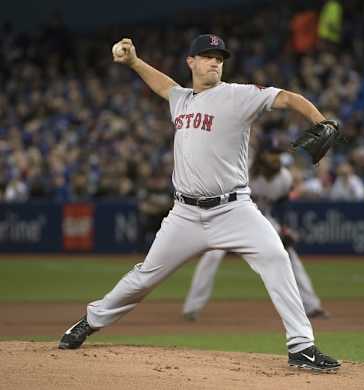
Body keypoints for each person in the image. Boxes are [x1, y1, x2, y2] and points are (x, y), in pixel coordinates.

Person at [58, 34, 340, 372]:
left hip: (234, 209)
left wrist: (320, 121)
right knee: (144, 277)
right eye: (207, 56)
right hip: (185, 215)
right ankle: (89, 321)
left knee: (277, 257)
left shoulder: (238, 95)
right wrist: (134, 62)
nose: (215, 62)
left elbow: (287, 98)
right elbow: (164, 86)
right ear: (191, 62)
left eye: (219, 57)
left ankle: (301, 347)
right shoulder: (180, 99)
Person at [183, 145, 330, 321]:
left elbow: (282, 205)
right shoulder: (244, 170)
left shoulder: (284, 177)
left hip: (261, 220)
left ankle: (312, 306)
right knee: (212, 255)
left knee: (287, 254)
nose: (276, 158)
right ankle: (192, 307)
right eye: (272, 154)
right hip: (231, 217)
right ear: (262, 155)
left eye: (278, 154)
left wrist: (283, 228)